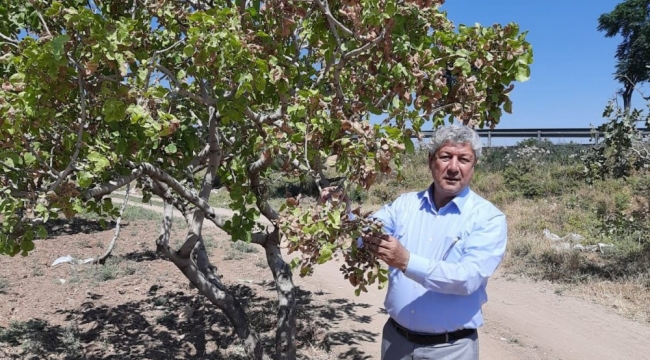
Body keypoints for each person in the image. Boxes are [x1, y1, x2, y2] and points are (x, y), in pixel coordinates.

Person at [321, 125, 507, 360]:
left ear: (474, 165)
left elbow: (468, 278)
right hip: (396, 342)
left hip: (449, 350)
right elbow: (364, 235)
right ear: (431, 160)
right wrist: (337, 212)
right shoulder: (404, 205)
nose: (453, 167)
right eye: (445, 156)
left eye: (464, 159)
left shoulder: (488, 218)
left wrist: (406, 261)